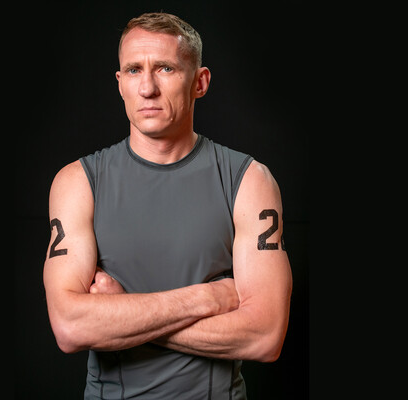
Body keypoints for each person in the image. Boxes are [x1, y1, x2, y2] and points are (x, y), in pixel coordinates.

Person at [43, 12, 292, 399]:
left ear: (199, 82)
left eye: (165, 68)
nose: (147, 88)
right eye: (133, 70)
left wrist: (122, 313)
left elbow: (265, 336)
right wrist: (206, 299)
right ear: (120, 83)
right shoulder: (77, 182)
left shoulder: (249, 181)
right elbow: (71, 328)